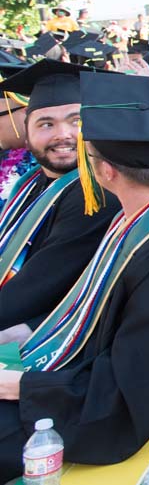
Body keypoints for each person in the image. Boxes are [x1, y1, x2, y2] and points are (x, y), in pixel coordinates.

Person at [0, 74, 149, 479]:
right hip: (78, 377)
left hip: (97, 415)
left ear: (105, 171)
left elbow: (133, 387)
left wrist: (16, 387)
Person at [0, 61, 119, 330]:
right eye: (45, 124)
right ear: (27, 134)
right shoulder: (30, 184)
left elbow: (35, 288)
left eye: (76, 121)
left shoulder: (97, 193)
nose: (63, 135)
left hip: (46, 337)